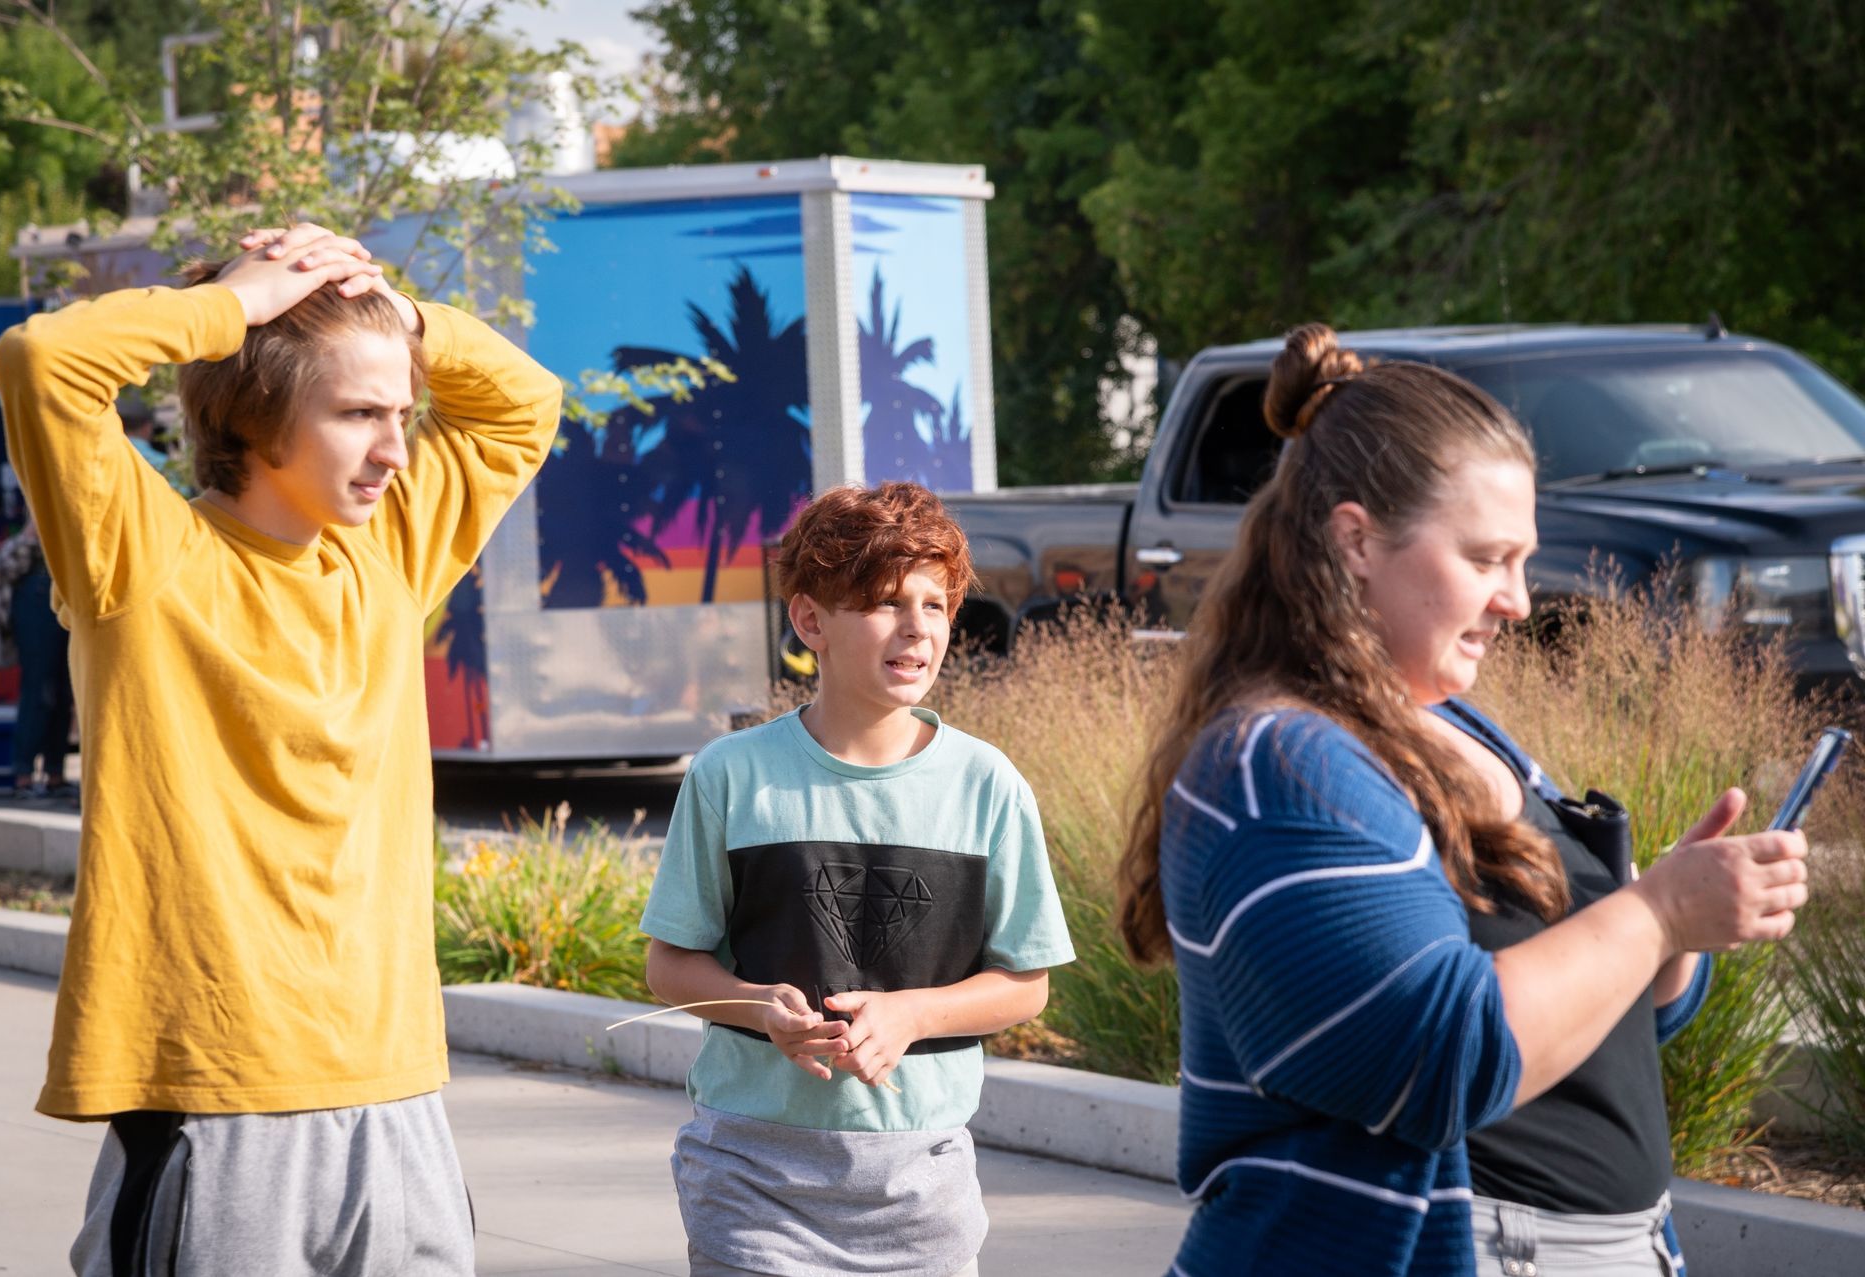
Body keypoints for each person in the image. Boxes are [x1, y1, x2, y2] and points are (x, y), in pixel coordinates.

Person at [1115, 323, 1809, 1277]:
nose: (1518, 598)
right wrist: (1653, 912)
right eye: (1487, 559)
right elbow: (1438, 1056)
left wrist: (1677, 932)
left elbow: (1588, 1016)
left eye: (1522, 559)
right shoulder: (1280, 765)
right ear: (1357, 540)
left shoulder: (1451, 724)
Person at [0, 221, 562, 1275]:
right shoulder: (139, 558)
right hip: (218, 1098)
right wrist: (242, 304)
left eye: (401, 414)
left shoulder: (388, 554)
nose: (396, 449)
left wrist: (392, 309)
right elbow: (43, 360)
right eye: (357, 414)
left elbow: (523, 403)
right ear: (256, 417)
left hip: (396, 1093)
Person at [640, 481, 1076, 1277]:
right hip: (752, 1184)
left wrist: (915, 1013)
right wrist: (756, 1005)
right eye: (884, 602)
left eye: (935, 604)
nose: (917, 627)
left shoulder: (989, 785)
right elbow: (669, 964)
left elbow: (1026, 981)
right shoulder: (730, 776)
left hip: (923, 1194)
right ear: (811, 621)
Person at [0, 516, 75, 801]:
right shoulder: (32, 530)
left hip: (64, 595)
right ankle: (23, 775)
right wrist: (34, 530)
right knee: (39, 691)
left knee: (63, 693)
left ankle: (54, 774)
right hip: (37, 599)